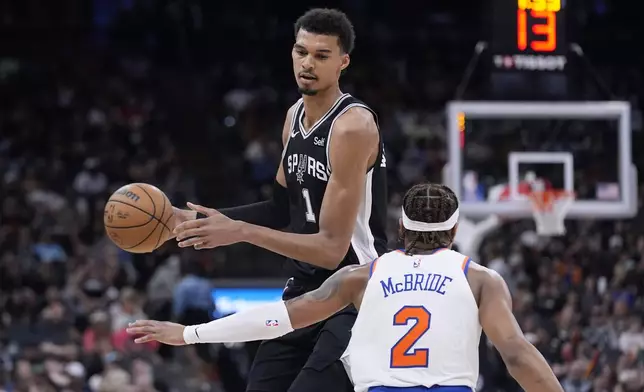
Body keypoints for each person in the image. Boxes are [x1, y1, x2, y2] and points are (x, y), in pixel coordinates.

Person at [129, 183, 564, 392]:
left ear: (399, 228)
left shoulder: (362, 276)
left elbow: (276, 319)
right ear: (452, 232)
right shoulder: (479, 279)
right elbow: (517, 356)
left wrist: (188, 333)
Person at [170, 8, 388, 392]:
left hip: (355, 289)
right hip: (305, 287)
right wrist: (197, 220)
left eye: (322, 55)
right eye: (301, 51)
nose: (307, 63)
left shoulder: (353, 126)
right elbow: (277, 208)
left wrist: (239, 231)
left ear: (343, 63)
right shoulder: (293, 117)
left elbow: (331, 250)